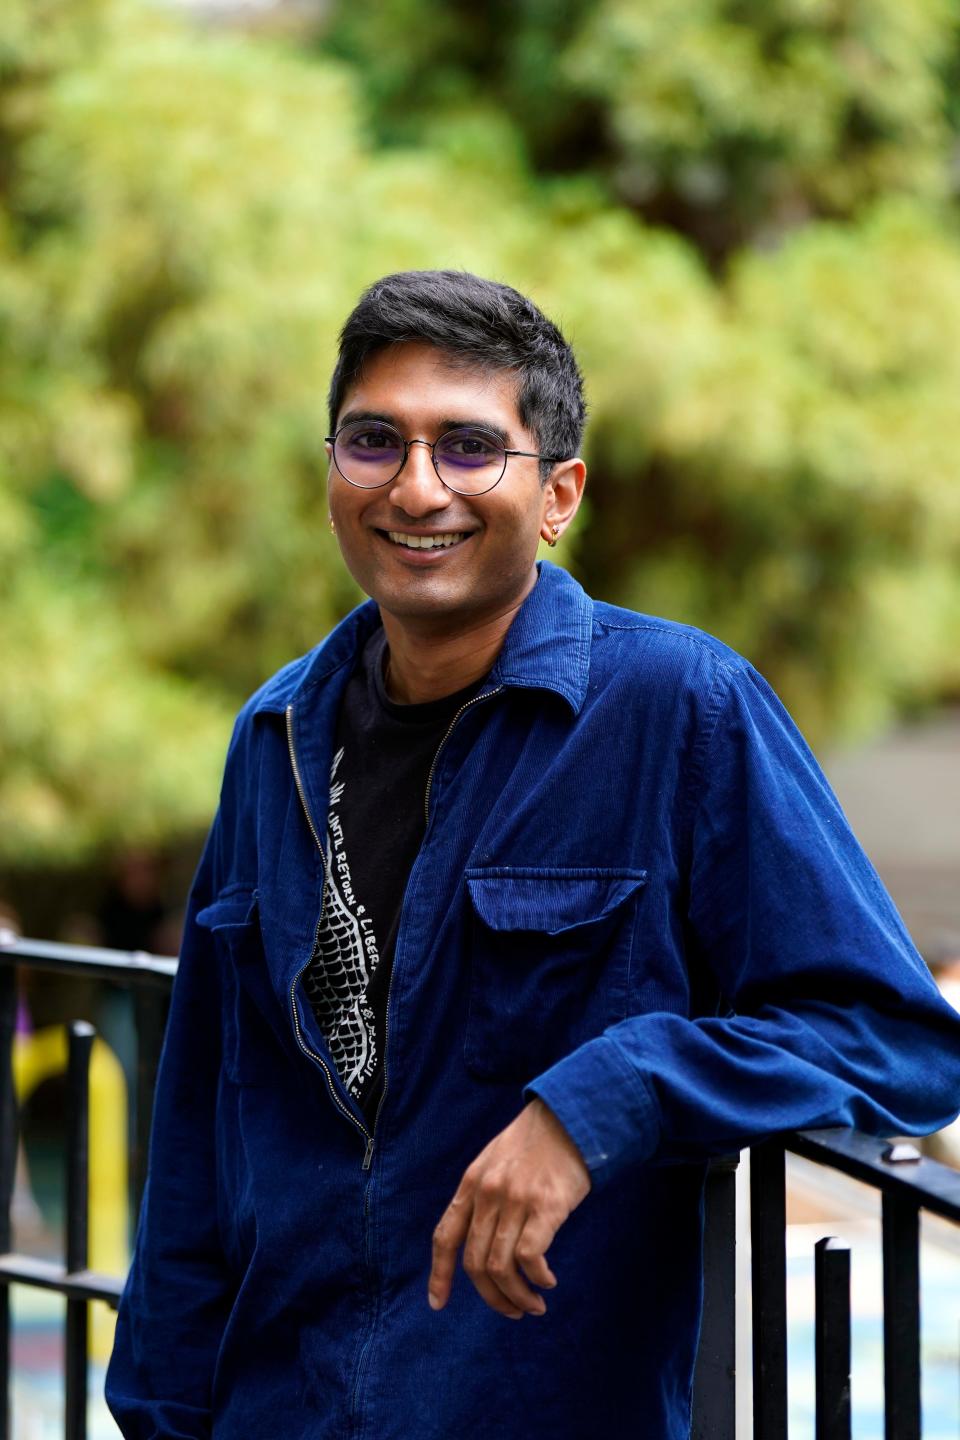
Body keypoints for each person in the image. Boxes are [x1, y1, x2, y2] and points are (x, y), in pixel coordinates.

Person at [106, 270, 960, 1440]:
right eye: (373, 440)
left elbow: (894, 1037)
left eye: (468, 448)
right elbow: (200, 1140)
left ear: (557, 495)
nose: (415, 487)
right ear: (332, 471)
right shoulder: (277, 736)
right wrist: (156, 1417)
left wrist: (603, 1099)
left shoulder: (679, 708)